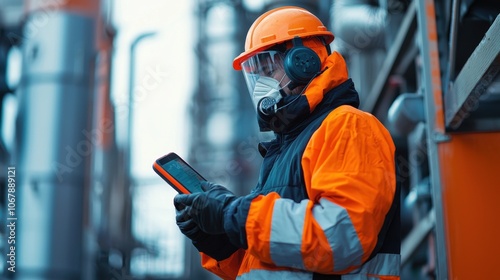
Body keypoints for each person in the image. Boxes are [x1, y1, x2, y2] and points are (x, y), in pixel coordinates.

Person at [174, 6, 400, 279]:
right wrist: (217, 240)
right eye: (255, 74)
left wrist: (234, 214)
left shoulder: (348, 127)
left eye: (268, 69)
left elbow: (340, 238)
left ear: (303, 62)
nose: (261, 83)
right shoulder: (286, 147)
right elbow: (273, 261)